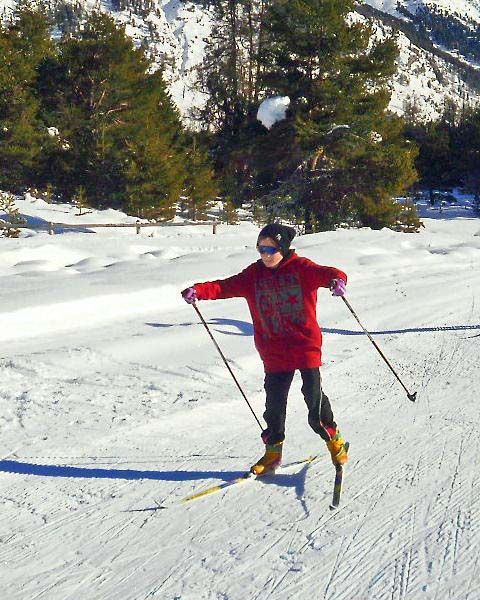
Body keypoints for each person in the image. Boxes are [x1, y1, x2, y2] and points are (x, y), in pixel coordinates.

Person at [181, 223, 349, 476]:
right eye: (260, 248)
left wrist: (337, 281)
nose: (265, 254)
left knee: (313, 402)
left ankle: (334, 441)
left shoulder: (302, 268)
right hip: (273, 350)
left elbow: (330, 273)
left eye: (270, 249)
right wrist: (199, 291)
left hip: (304, 346)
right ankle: (272, 454)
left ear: (282, 248)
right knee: (274, 406)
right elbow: (224, 286)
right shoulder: (253, 275)